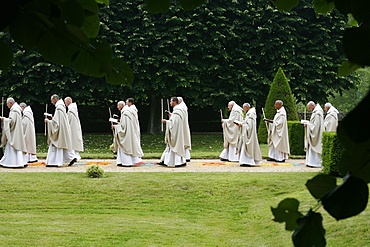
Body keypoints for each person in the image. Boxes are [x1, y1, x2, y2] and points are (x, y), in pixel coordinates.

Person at [45, 94, 77, 167]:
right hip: (63, 130)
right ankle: (71, 158)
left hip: (59, 131)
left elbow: (56, 124)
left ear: (55, 99)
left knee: (56, 145)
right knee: (63, 145)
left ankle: (54, 162)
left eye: (52, 100)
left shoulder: (59, 108)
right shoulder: (61, 107)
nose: (51, 102)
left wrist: (48, 121)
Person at [112, 100, 143, 167]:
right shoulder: (130, 112)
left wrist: (116, 127)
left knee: (125, 146)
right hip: (131, 132)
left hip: (127, 134)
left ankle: (126, 162)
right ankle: (121, 161)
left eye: (118, 105)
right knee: (126, 146)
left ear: (122, 105)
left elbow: (124, 127)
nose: (117, 107)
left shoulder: (125, 113)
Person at [159, 97, 187, 167]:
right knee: (170, 147)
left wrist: (166, 121)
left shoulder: (177, 111)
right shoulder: (177, 111)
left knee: (174, 146)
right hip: (177, 132)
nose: (170, 103)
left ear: (174, 102)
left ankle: (177, 162)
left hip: (176, 133)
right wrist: (171, 115)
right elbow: (175, 120)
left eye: (171, 101)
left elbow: (174, 124)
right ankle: (165, 160)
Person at [0, 98, 27, 168]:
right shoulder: (16, 109)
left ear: (11, 103)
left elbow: (12, 122)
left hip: (14, 133)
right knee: (15, 147)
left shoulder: (14, 110)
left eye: (7, 104)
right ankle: (15, 162)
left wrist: (3, 119)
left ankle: (12, 163)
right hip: (16, 132)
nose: (7, 105)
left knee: (13, 146)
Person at [303, 101, 324, 168]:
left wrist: (308, 125)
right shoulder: (316, 112)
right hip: (314, 133)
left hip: (316, 134)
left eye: (309, 107)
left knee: (314, 148)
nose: (309, 109)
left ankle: (315, 163)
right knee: (311, 148)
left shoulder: (317, 113)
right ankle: (310, 162)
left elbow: (316, 126)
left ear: (312, 105)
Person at [177, 96, 191, 162]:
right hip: (183, 125)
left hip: (182, 126)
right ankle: (186, 156)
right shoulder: (183, 107)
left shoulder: (181, 108)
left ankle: (185, 156)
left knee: (183, 140)